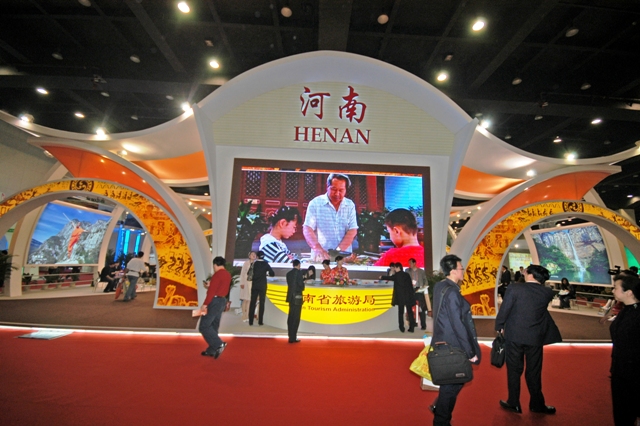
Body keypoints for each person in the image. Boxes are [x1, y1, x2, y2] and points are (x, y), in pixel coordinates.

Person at [495, 264, 562, 415]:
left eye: (526, 271)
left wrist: (499, 325)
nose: (524, 273)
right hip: (535, 337)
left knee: (514, 371)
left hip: (514, 335)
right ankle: (537, 404)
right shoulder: (547, 292)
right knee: (534, 372)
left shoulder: (515, 288)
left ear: (531, 275)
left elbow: (505, 309)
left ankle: (514, 402)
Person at [430, 254, 481, 426]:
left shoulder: (440, 286)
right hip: (453, 345)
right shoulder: (452, 292)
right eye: (461, 268)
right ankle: (441, 420)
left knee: (451, 383)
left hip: (442, 340)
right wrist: (470, 352)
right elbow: (458, 324)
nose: (463, 271)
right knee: (453, 385)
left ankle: (439, 410)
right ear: (452, 271)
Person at [303, 173, 358, 262]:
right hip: (321, 258)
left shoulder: (350, 205)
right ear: (327, 187)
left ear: (346, 190)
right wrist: (318, 248)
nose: (337, 193)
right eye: (333, 189)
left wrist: (337, 252)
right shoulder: (315, 203)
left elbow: (352, 230)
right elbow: (307, 229)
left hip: (343, 258)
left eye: (341, 190)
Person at [609, 272, 640, 425]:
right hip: (620, 367)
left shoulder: (636, 314)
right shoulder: (626, 310)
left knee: (628, 407)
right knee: (621, 409)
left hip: (634, 371)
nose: (613, 290)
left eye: (616, 288)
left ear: (629, 292)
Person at [199, 256, 232, 359]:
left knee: (204, 326)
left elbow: (211, 292)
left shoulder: (217, 275)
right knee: (214, 325)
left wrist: (205, 304)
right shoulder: (227, 274)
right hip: (222, 301)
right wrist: (211, 284)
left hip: (214, 301)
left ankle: (218, 344)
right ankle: (212, 350)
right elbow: (221, 287)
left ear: (215, 265)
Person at [381, 263, 416, 333]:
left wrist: (382, 277)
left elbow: (390, 278)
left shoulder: (397, 275)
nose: (394, 269)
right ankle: (412, 327)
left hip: (400, 297)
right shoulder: (406, 274)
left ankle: (401, 327)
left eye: (395, 268)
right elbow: (410, 285)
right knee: (410, 312)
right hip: (408, 296)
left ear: (398, 268)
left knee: (400, 312)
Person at [249, 251, 274, 326]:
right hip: (262, 285)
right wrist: (266, 273)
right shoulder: (266, 264)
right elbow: (272, 273)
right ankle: (260, 321)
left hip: (255, 285)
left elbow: (249, 273)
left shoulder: (254, 263)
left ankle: (251, 321)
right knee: (262, 303)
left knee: (252, 302)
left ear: (257, 256)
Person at [406, 257, 431, 330]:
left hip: (419, 289)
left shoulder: (421, 271)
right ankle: (412, 323)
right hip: (410, 290)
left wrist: (424, 286)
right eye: (409, 263)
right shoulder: (407, 271)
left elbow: (425, 280)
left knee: (421, 308)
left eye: (410, 263)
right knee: (410, 307)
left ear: (414, 263)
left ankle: (423, 325)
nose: (409, 264)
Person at [286, 259, 305, 343]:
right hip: (297, 298)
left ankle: (290, 335)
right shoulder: (299, 273)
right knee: (296, 318)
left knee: (291, 317)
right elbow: (301, 286)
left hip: (290, 297)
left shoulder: (288, 274)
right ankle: (293, 337)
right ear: (299, 265)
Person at [239, 251, 256, 322]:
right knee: (245, 299)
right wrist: (242, 283)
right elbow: (242, 273)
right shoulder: (246, 263)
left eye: (255, 254)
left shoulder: (256, 264)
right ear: (249, 256)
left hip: (252, 283)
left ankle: (248, 315)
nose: (254, 255)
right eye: (252, 254)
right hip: (246, 283)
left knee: (249, 300)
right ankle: (244, 315)